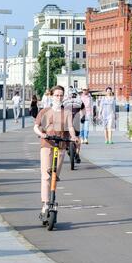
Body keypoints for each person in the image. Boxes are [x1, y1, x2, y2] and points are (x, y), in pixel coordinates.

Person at [34, 86, 78, 216]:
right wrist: (42, 134)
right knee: (46, 175)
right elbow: (36, 127)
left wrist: (74, 136)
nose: (59, 97)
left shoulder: (67, 113)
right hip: (47, 144)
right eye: (56, 95)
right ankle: (46, 203)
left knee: (55, 176)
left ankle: (52, 199)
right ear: (52, 96)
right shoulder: (45, 111)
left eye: (61, 95)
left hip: (61, 145)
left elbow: (70, 127)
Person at [63, 89, 85, 163]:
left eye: (74, 94)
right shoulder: (64, 101)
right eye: (71, 94)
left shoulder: (79, 101)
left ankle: (77, 153)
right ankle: (68, 148)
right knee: (65, 135)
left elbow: (83, 109)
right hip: (67, 121)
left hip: (76, 120)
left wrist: (83, 116)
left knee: (77, 136)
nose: (73, 96)